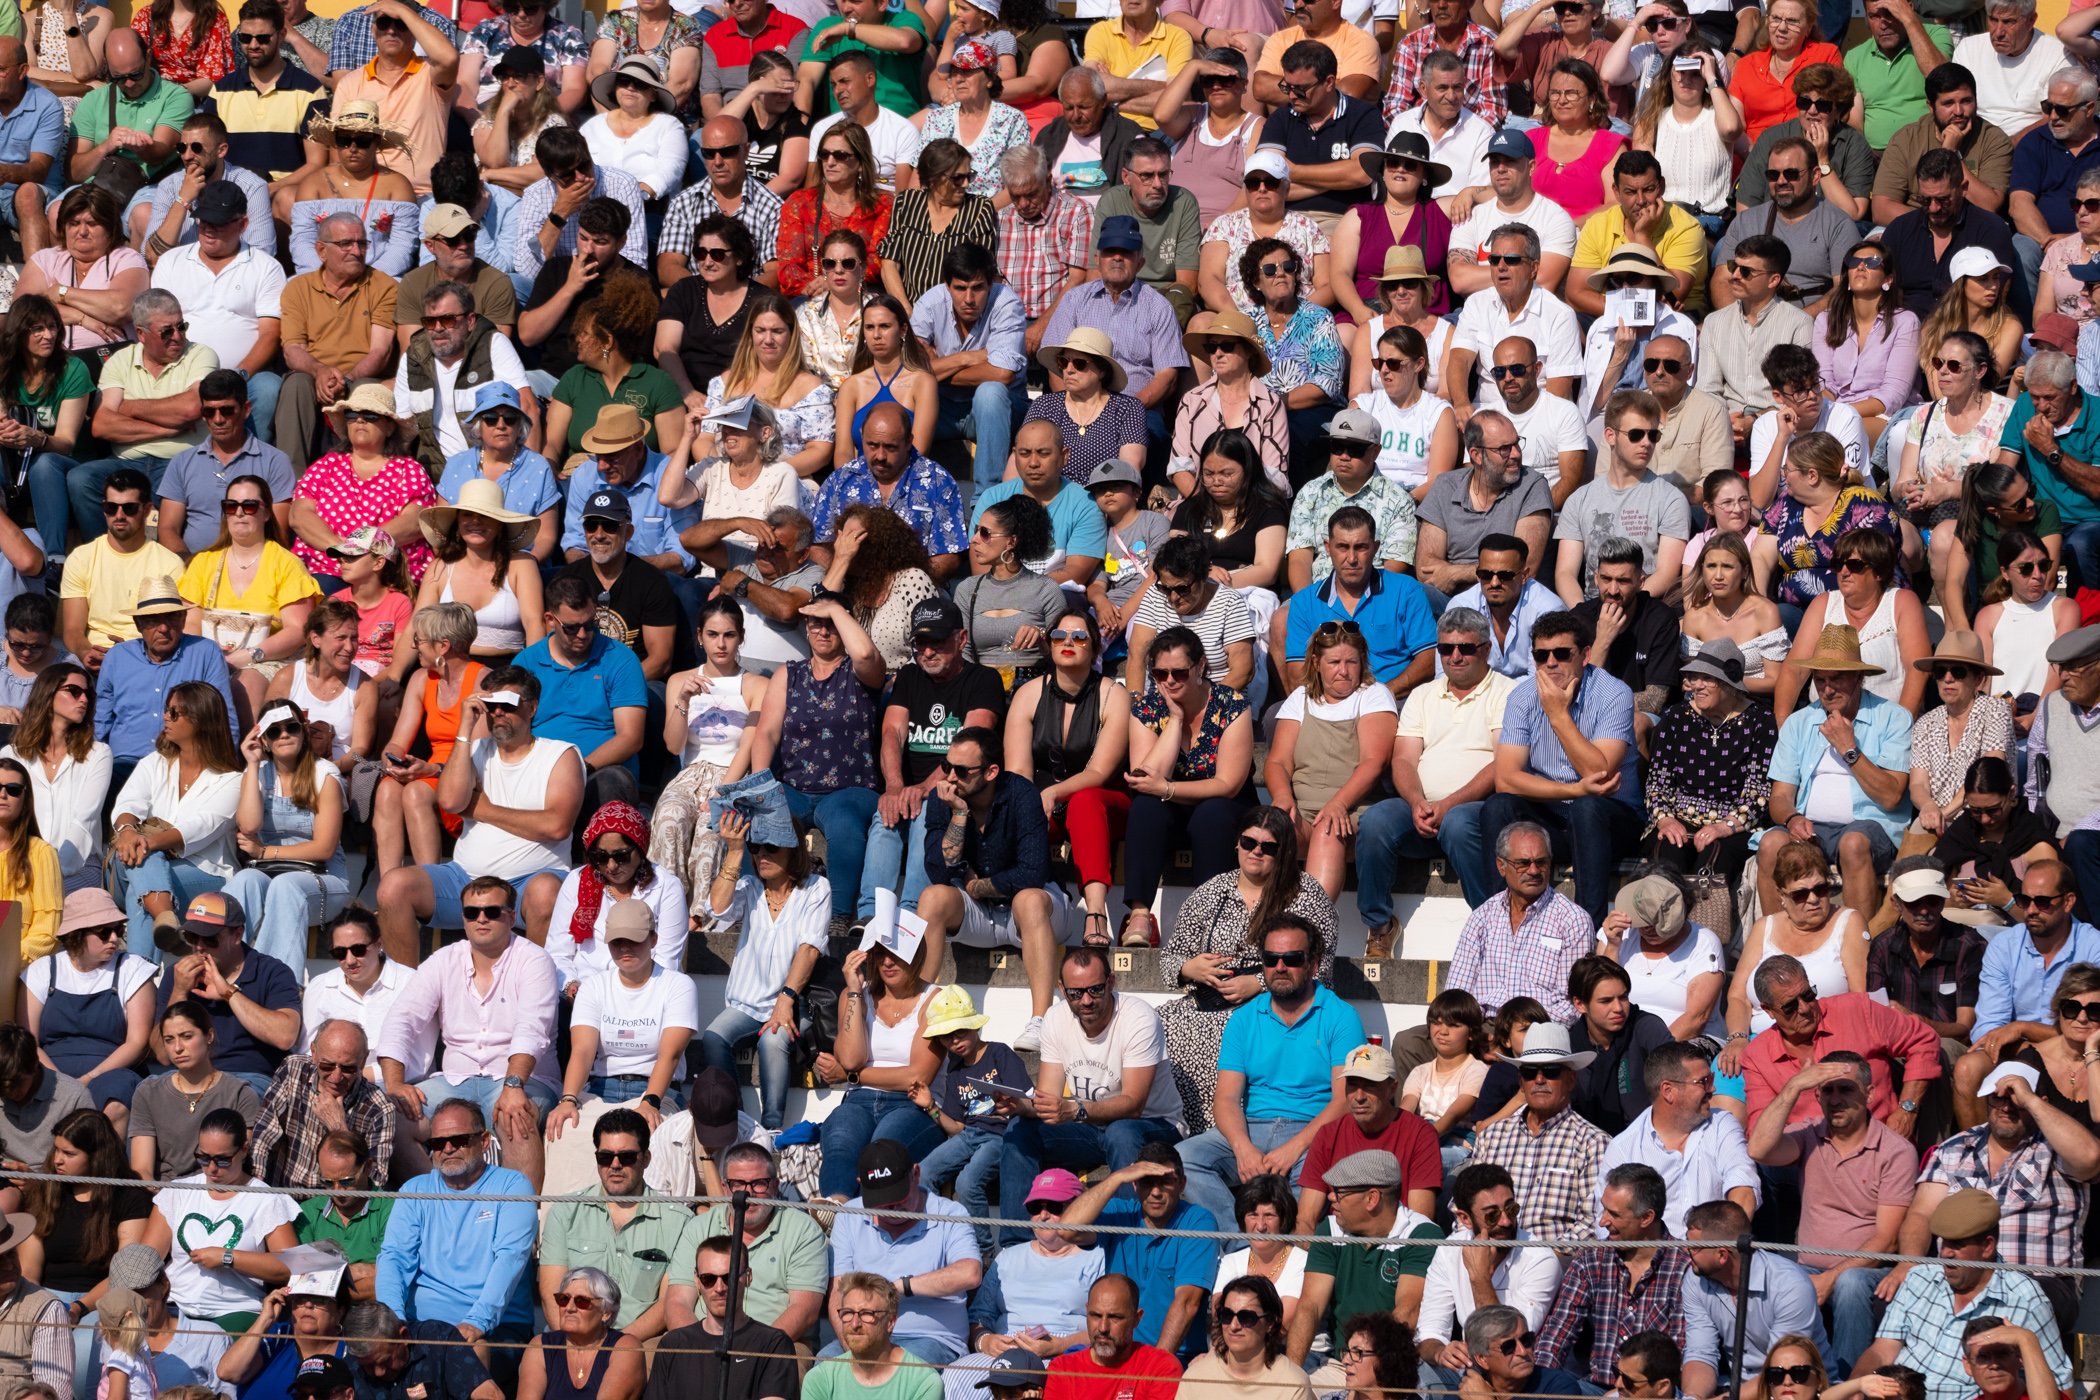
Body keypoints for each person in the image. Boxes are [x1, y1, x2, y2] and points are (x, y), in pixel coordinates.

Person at [1746, 1051, 1918, 1368]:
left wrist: (1832, 1278)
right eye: (1828, 1090)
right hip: (1807, 1265)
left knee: (1850, 1284)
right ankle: (1774, 1376)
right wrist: (1792, 1087)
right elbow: (1758, 1149)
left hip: (1866, 1270)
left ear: (1869, 1094)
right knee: (1766, 1274)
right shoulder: (1810, 1134)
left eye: (1846, 1089)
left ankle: (1846, 1382)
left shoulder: (1896, 1151)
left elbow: (1887, 1240)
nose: (1835, 1099)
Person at [998, 948, 1186, 1234]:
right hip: (1091, 1126)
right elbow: (1049, 1099)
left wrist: (1075, 1110)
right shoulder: (1055, 1018)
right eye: (1075, 993)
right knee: (1019, 1130)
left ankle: (1128, 1241)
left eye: (1095, 989)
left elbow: (1134, 1104)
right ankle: (1017, 1246)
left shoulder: (1138, 1018)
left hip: (1154, 1124)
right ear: (1062, 989)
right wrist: (1020, 1106)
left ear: (1111, 982)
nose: (1086, 1000)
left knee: (1121, 1132)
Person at [372, 1097, 537, 1382]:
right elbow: (394, 1258)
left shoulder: (513, 1186)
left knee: (469, 1357)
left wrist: (476, 1322)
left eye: (459, 1140)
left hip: (495, 1328)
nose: (447, 1149)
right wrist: (393, 1321)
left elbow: (510, 1259)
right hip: (420, 1325)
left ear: (484, 1141)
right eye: (437, 1143)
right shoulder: (415, 1190)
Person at [1856, 1189, 2072, 1400]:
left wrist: (2025, 1340)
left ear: (1987, 1247)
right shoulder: (1919, 1278)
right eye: (1943, 1242)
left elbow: (2060, 1385)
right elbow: (1882, 1350)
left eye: (1957, 1244)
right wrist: (1855, 1386)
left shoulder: (2026, 1299)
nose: (1946, 1253)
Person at [139, 1105, 299, 1330]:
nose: (212, 1168)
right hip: (176, 1305)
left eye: (222, 1160)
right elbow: (145, 1261)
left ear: (244, 1150)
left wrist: (227, 1257)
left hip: (235, 1310)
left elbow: (288, 1267)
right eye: (203, 1158)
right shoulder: (177, 1192)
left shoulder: (266, 1199)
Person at [1597, 1037, 1760, 1235]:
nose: (1713, 1089)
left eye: (1711, 1079)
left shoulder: (1723, 1125)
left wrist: (1710, 1251)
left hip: (1715, 1255)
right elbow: (1607, 1224)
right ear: (1668, 1091)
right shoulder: (1624, 1148)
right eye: (1703, 1082)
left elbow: (1744, 1191)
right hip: (1652, 1261)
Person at [1469, 1022, 1610, 1241]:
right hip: (1490, 1254)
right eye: (1530, 1072)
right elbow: (1465, 1203)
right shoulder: (1492, 1136)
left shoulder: (1593, 1143)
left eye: (1551, 1071)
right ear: (1521, 1081)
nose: (1539, 1079)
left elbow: (1592, 1221)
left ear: (1571, 1080)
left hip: (1557, 1263)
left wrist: (1542, 1259)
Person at [1446, 226, 1581, 424]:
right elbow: (1459, 359)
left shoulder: (1560, 315)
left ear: (1534, 268)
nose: (1501, 266)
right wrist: (1460, 404)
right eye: (1494, 260)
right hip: (1485, 417)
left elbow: (1558, 391)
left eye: (1511, 259)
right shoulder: (1476, 304)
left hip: (1539, 420)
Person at [642, 1232, 793, 1400]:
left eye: (730, 1278)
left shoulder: (773, 1344)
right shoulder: (673, 1344)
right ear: (697, 1280)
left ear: (748, 1277)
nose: (720, 1288)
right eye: (708, 1279)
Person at [128, 1000, 263, 1180]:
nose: (177, 1048)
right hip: (163, 1195)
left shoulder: (240, 1094)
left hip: (219, 1193)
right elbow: (141, 1169)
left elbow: (238, 1163)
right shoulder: (148, 1092)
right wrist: (165, 1199)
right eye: (169, 1040)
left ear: (209, 1036)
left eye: (187, 1036)